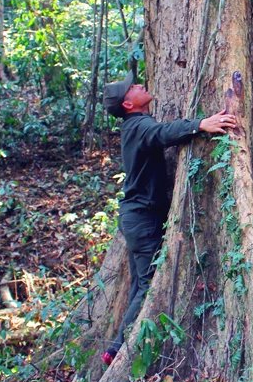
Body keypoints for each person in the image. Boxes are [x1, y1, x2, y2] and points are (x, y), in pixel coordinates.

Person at [101, 75, 237, 365]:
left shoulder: (134, 126)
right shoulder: (138, 126)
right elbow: (162, 133)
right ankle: (118, 351)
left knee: (141, 284)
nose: (138, 85)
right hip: (143, 218)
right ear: (127, 103)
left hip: (137, 217)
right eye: (132, 88)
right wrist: (199, 125)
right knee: (148, 284)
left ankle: (114, 348)